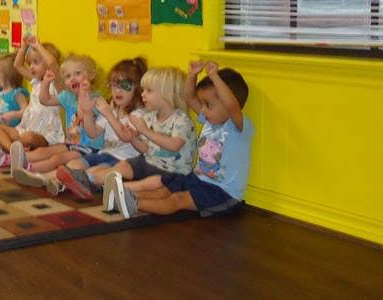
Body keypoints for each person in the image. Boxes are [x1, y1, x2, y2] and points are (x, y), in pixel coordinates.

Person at [106, 62, 252, 219]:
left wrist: (214, 77)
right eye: (202, 104)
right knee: (164, 189)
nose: (202, 110)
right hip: (197, 179)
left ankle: (132, 204)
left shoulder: (237, 127)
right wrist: (192, 74)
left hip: (222, 192)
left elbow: (232, 105)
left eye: (208, 105)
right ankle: (122, 196)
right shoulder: (209, 120)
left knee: (177, 200)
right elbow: (189, 97)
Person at [59, 67, 195, 204]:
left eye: (149, 91)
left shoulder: (181, 120)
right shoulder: (150, 117)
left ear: (167, 94)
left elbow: (174, 145)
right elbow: (145, 149)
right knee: (122, 167)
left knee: (151, 183)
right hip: (147, 161)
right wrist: (133, 138)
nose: (143, 94)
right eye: (143, 90)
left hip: (172, 171)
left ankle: (113, 189)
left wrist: (144, 131)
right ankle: (86, 180)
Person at [53, 57, 148, 198]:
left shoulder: (138, 114)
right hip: (104, 153)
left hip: (123, 160)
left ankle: (77, 185)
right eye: (114, 85)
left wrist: (109, 114)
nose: (118, 91)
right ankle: (57, 182)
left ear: (137, 87)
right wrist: (87, 112)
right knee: (73, 164)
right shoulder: (113, 108)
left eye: (125, 86)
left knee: (95, 172)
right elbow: (93, 133)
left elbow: (125, 137)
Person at [10, 54, 104, 193]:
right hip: (71, 144)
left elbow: (84, 116)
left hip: (89, 148)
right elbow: (45, 100)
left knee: (57, 159)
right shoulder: (67, 96)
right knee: (44, 151)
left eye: (77, 74)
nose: (72, 78)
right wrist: (46, 83)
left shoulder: (96, 99)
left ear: (90, 75)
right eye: (67, 76)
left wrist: (83, 93)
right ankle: (17, 163)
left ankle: (32, 172)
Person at [0, 35, 63, 169]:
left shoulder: (57, 84)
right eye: (31, 62)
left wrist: (38, 45)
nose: (31, 66)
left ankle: (6, 152)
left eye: (36, 62)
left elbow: (52, 63)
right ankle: (13, 152)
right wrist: (25, 46)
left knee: (29, 138)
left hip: (45, 135)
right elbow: (17, 64)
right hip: (26, 127)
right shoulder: (36, 81)